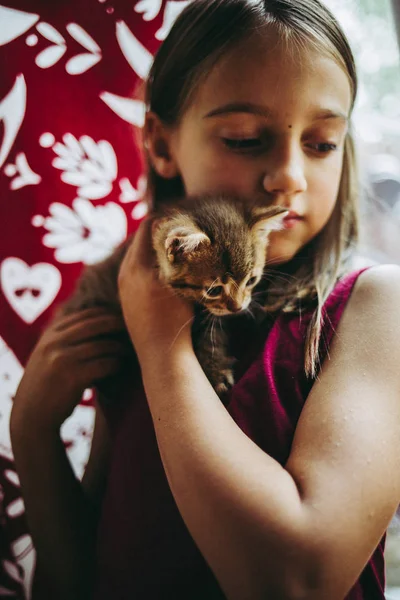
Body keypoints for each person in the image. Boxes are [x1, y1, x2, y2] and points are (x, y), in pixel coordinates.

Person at [10, 1, 400, 598]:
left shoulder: (375, 308)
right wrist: (33, 429)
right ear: (162, 146)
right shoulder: (132, 312)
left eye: (323, 143)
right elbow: (77, 579)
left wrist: (163, 352)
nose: (290, 176)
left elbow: (296, 584)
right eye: (245, 139)